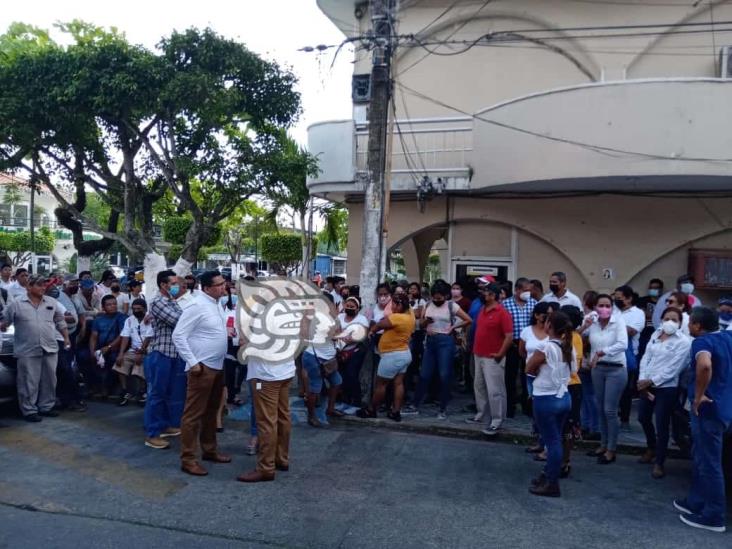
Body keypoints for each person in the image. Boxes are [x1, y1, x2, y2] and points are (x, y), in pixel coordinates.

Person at [675, 308, 732, 533]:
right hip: (725, 408)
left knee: (709, 462)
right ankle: (695, 501)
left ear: (698, 326)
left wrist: (698, 396)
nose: (688, 327)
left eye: (690, 323)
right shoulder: (728, 337)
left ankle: (714, 515)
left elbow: (705, 365)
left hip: (709, 410)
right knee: (700, 456)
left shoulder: (701, 343)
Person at [173, 270, 230, 477]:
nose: (224, 287)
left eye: (224, 283)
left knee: (211, 411)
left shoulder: (216, 304)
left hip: (217, 365)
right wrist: (193, 362)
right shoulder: (196, 306)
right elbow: (178, 335)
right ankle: (188, 459)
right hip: (202, 367)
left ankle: (209, 450)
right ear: (206, 288)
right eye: (219, 284)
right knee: (193, 415)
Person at [1, 274, 71, 422]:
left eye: (44, 285)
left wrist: (66, 338)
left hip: (49, 347)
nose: (43, 287)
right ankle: (29, 410)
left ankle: (46, 407)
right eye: (39, 285)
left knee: (50, 380)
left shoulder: (51, 302)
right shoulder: (17, 304)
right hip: (27, 349)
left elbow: (60, 321)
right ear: (29, 287)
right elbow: (5, 323)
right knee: (28, 381)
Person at [636, 306, 690, 479]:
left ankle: (660, 462)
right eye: (667, 318)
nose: (670, 322)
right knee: (643, 418)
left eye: (674, 319)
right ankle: (651, 447)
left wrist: (651, 381)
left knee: (662, 424)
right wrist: (643, 379)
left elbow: (674, 368)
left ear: (681, 323)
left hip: (666, 388)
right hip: (647, 383)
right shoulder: (655, 335)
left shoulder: (684, 342)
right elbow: (646, 357)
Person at [526, 311, 576, 497]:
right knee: (556, 438)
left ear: (549, 326)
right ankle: (547, 474)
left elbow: (529, 368)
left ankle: (552, 482)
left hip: (546, 397)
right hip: (563, 396)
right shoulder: (568, 346)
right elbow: (573, 370)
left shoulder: (545, 347)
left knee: (551, 442)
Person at [406, 281, 471, 419]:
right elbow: (421, 323)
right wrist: (426, 322)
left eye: (439, 298)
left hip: (445, 341)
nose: (436, 300)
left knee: (444, 374)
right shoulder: (428, 305)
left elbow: (468, 319)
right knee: (424, 374)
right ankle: (415, 405)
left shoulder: (451, 305)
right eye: (434, 297)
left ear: (446, 296)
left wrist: (453, 328)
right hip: (430, 341)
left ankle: (443, 408)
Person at [580, 294, 628, 464]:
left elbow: (623, 344)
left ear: (612, 307)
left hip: (615, 369)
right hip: (597, 369)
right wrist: (585, 324)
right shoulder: (593, 322)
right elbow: (577, 336)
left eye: (608, 305)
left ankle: (611, 448)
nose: (604, 308)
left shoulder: (618, 322)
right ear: (595, 307)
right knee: (600, 407)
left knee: (610, 410)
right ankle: (603, 444)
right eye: (601, 305)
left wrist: (602, 352)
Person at [144, 270, 187, 450]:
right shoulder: (158, 302)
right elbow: (180, 320)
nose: (177, 286)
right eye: (174, 283)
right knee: (157, 394)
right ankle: (152, 434)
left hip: (175, 353)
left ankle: (165, 425)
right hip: (161, 353)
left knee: (172, 393)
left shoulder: (172, 301)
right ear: (163, 284)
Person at [237, 355, 297, 483]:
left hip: (265, 375)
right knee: (283, 416)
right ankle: (281, 459)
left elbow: (246, 344)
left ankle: (266, 468)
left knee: (266, 422)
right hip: (285, 370)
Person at [358, 291, 415, 421]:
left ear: (399, 305)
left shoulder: (397, 318)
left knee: (381, 385)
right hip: (404, 354)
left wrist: (372, 330)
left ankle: (371, 410)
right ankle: (395, 412)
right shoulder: (410, 316)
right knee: (398, 383)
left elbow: (379, 325)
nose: (392, 306)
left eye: (393, 304)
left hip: (392, 355)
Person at [470, 282, 513, 436]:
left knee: (495, 390)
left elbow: (509, 336)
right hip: (478, 354)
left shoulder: (502, 313)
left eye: (485, 292)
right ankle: (482, 414)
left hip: (493, 356)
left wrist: (501, 353)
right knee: (479, 385)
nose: (482, 294)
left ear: (493, 295)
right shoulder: (482, 309)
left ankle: (497, 420)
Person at [301, 293, 343, 427]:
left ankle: (330, 409)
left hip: (328, 359)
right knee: (315, 389)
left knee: (337, 382)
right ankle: (311, 416)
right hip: (314, 358)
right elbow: (335, 335)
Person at [502, 278, 538, 418]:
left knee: (527, 376)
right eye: (525, 290)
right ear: (517, 290)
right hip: (512, 344)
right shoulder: (506, 304)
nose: (528, 293)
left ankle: (527, 405)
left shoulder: (534, 304)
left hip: (529, 345)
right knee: (509, 377)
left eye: (529, 290)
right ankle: (509, 407)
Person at [614, 285, 645, 431]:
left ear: (629, 298)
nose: (616, 300)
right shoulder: (613, 311)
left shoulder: (637, 313)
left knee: (625, 390)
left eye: (619, 298)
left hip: (627, 355)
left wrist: (614, 324)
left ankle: (624, 420)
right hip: (610, 354)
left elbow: (631, 331)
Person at [113, 298, 153, 406]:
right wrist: (121, 353)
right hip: (133, 350)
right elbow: (125, 337)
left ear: (144, 309)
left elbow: (149, 337)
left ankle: (142, 391)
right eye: (134, 309)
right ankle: (125, 391)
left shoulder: (150, 318)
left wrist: (141, 353)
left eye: (139, 309)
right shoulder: (129, 320)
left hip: (147, 350)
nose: (136, 311)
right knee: (120, 364)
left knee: (138, 366)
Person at [56, 275, 86, 411]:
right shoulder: (57, 296)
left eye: (76, 283)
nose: (75, 286)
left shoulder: (76, 298)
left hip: (72, 336)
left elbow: (80, 315)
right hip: (58, 337)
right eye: (72, 283)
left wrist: (83, 330)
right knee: (65, 368)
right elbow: (65, 318)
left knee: (72, 367)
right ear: (64, 284)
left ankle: (72, 398)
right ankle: (68, 399)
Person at [559, 305, 584, 479]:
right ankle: (561, 458)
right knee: (565, 425)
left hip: (568, 385)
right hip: (570, 385)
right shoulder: (575, 336)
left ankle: (564, 461)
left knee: (566, 426)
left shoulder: (570, 339)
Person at [88, 295, 127, 399]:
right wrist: (92, 351)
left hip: (115, 348)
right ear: (103, 307)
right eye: (109, 305)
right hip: (101, 348)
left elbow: (122, 335)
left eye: (114, 304)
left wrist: (109, 347)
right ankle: (95, 387)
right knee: (89, 359)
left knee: (113, 359)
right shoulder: (98, 320)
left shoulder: (122, 317)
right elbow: (93, 337)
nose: (113, 306)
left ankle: (108, 387)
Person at [336, 296, 369, 406]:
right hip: (339, 350)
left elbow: (363, 335)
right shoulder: (340, 316)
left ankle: (356, 400)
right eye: (348, 306)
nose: (349, 308)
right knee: (341, 375)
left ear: (357, 308)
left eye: (352, 306)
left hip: (355, 350)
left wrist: (348, 339)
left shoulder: (362, 319)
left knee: (352, 374)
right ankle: (344, 397)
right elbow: (334, 331)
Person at [579, 291, 600, 440]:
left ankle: (591, 426)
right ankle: (589, 425)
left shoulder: (589, 317)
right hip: (592, 359)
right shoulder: (600, 317)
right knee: (590, 395)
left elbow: (582, 337)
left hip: (587, 359)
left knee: (588, 395)